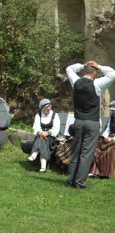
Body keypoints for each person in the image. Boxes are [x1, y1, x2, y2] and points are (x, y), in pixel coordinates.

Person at [66, 60, 115, 188]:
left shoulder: (76, 82)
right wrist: (98, 65)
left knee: (76, 151)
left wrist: (83, 65)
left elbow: (69, 69)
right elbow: (112, 73)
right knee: (86, 154)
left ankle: (71, 180)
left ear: (85, 72)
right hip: (92, 122)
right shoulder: (97, 84)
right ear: (95, 74)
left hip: (78, 121)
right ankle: (79, 182)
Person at [27, 99, 60, 172]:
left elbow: (56, 129)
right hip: (40, 136)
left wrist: (47, 133)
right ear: (42, 108)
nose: (48, 108)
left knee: (44, 139)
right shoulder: (38, 115)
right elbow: (36, 128)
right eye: (46, 107)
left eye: (49, 106)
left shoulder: (55, 115)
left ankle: (34, 153)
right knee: (41, 137)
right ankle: (43, 166)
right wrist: (40, 133)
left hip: (51, 138)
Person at [90, 101, 115, 178]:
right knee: (97, 148)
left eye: (112, 110)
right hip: (110, 138)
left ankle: (107, 173)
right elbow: (107, 130)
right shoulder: (111, 118)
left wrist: (112, 138)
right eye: (111, 110)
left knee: (109, 150)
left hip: (114, 139)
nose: (111, 111)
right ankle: (95, 171)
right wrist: (105, 137)